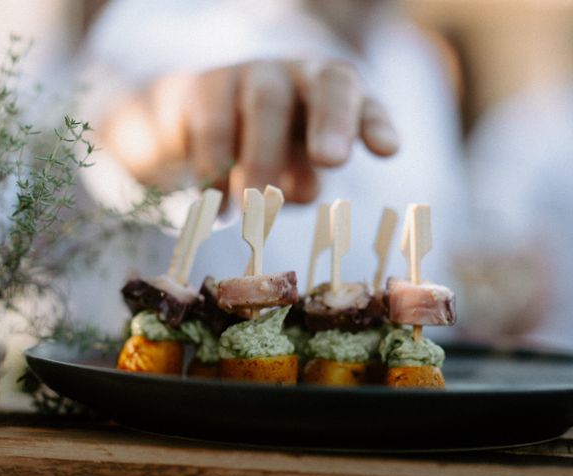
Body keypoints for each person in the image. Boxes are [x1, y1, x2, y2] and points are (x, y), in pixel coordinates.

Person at [72, 0, 467, 337]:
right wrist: (172, 125)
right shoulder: (169, 16)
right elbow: (101, 133)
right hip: (194, 414)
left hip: (400, 420)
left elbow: (445, 241)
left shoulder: (419, 61)